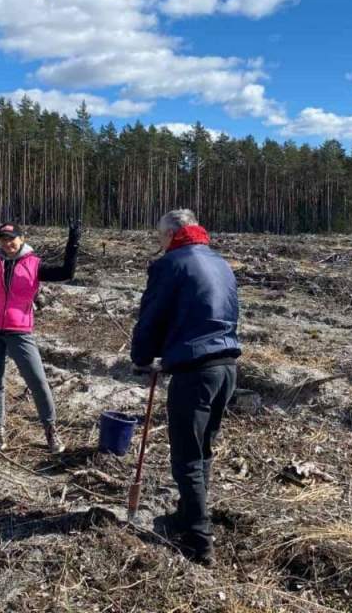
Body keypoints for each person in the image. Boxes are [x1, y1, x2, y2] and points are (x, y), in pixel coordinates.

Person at [130, 209, 240, 566]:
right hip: (226, 367)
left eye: (160, 237)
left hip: (195, 372)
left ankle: (198, 540)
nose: (160, 244)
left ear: (171, 235)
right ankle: (186, 515)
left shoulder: (171, 264)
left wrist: (142, 357)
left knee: (187, 457)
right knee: (202, 450)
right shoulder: (221, 263)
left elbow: (152, 316)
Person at [0, 221, 81, 454]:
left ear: (22, 239)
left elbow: (67, 273)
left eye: (11, 238)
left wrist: (73, 241)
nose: (7, 243)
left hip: (19, 331)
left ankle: (50, 430)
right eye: (3, 239)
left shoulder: (34, 264)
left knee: (37, 381)